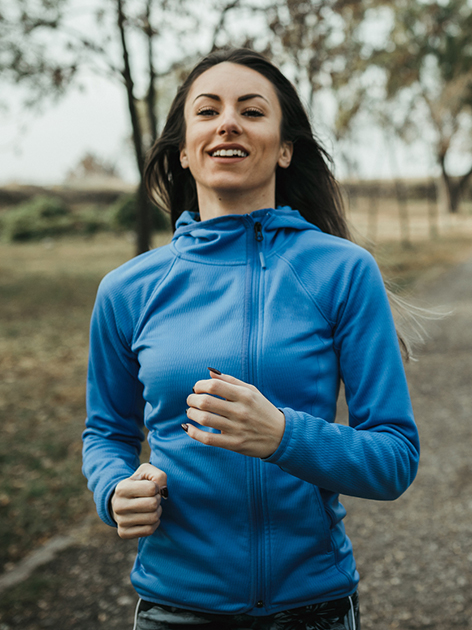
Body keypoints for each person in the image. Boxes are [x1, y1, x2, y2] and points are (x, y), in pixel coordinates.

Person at [81, 48, 420, 630]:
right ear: (185, 150)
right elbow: (107, 432)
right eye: (207, 111)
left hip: (310, 609)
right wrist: (114, 489)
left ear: (285, 149)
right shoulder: (126, 290)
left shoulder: (342, 271)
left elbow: (393, 457)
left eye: (252, 111)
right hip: (173, 608)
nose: (228, 122)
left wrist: (283, 435)